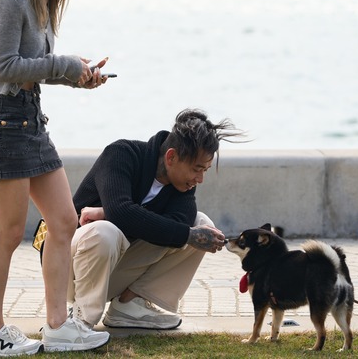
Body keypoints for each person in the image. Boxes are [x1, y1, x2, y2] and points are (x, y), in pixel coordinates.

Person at [0, 0, 111, 356]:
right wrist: (63, 65)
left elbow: (37, 67)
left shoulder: (43, 1)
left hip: (31, 123)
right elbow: (4, 68)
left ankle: (57, 327)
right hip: (5, 125)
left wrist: (78, 78)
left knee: (64, 221)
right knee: (9, 233)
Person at [56, 108, 244, 330]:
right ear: (171, 157)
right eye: (197, 169)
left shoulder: (182, 187)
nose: (200, 178)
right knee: (105, 232)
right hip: (67, 271)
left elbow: (174, 225)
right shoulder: (122, 153)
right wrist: (117, 213)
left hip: (111, 274)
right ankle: (81, 319)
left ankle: (128, 304)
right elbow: (122, 212)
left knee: (200, 224)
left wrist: (110, 212)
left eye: (205, 170)